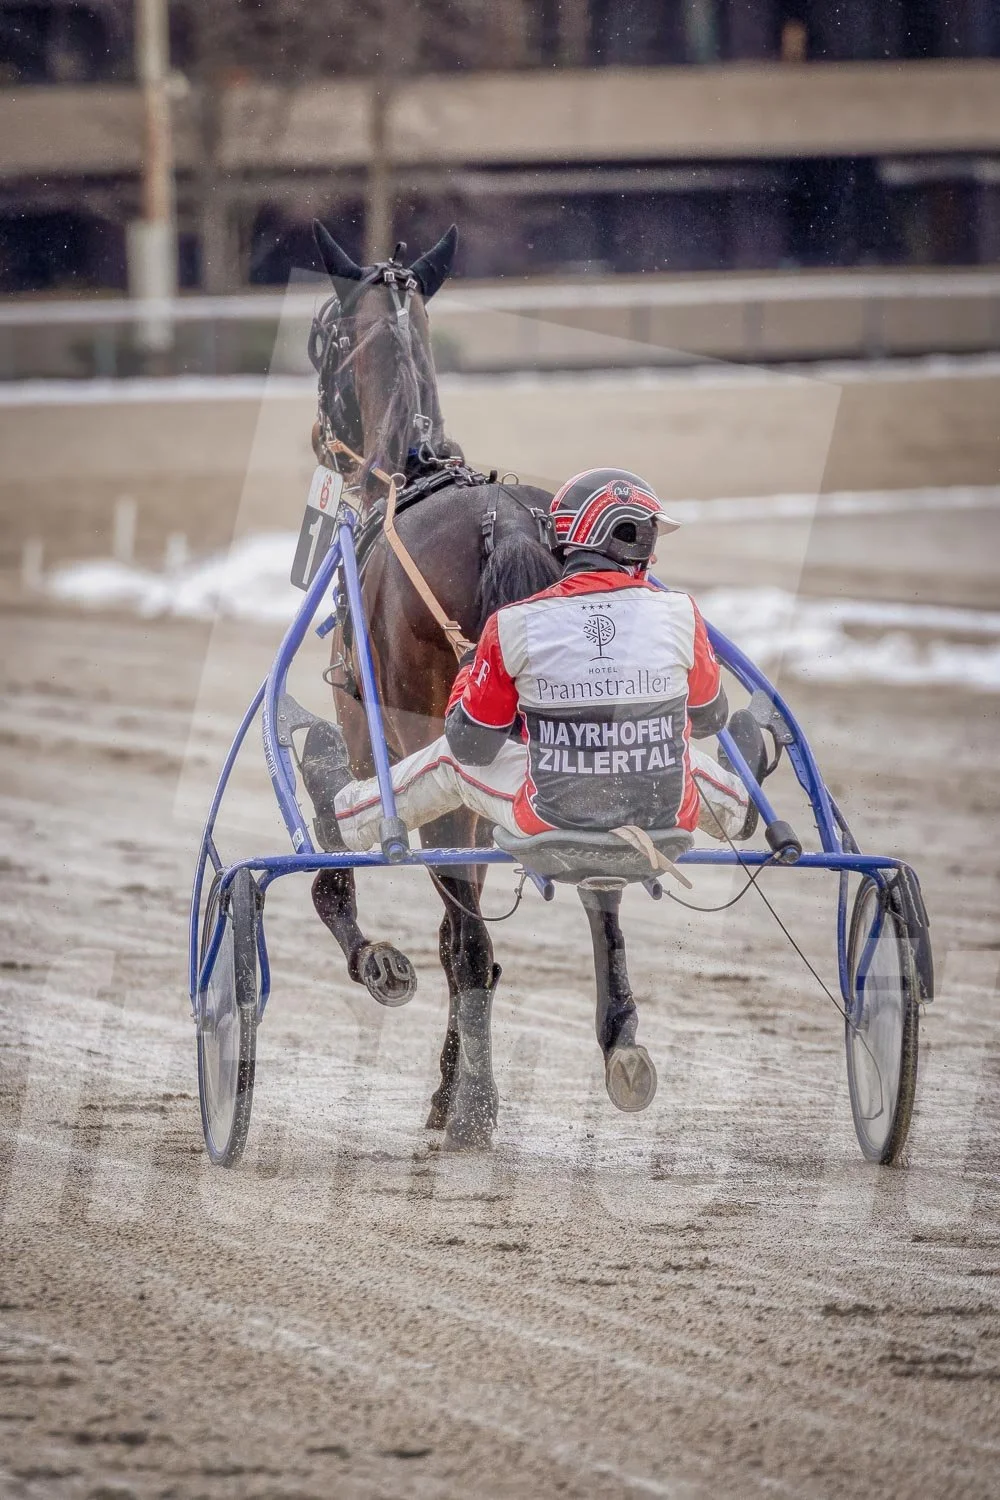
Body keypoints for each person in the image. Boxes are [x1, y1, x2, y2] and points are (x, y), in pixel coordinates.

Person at [301, 468, 774, 853]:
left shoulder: (511, 625)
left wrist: (469, 672)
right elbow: (710, 717)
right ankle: (739, 805)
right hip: (664, 811)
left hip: (550, 812)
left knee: (445, 760)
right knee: (678, 751)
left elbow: (471, 746)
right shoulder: (680, 613)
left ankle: (345, 815)